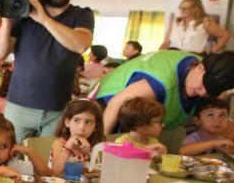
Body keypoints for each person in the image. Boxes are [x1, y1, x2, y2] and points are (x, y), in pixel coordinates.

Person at [0, 0, 95, 143]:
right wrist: (7, 19)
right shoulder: (24, 10)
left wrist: (44, 19)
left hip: (57, 109)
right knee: (11, 160)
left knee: (45, 164)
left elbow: (80, 44)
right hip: (19, 106)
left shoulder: (81, 15)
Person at [96, 50, 234, 134]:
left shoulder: (211, 71)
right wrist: (100, 147)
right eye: (203, 86)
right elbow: (115, 104)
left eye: (209, 92)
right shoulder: (162, 82)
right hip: (108, 105)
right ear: (200, 68)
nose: (203, 93)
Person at [49, 99, 105, 176]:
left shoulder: (95, 147)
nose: (81, 128)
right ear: (67, 122)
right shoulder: (60, 143)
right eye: (76, 121)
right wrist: (69, 145)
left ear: (95, 126)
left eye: (88, 122)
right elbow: (55, 172)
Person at [160, 0, 230, 54]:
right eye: (180, 8)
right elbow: (166, 42)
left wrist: (212, 53)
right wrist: (157, 54)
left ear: (195, 9)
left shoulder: (205, 22)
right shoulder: (176, 21)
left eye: (185, 9)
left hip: (192, 60)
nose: (181, 10)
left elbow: (225, 36)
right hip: (172, 56)